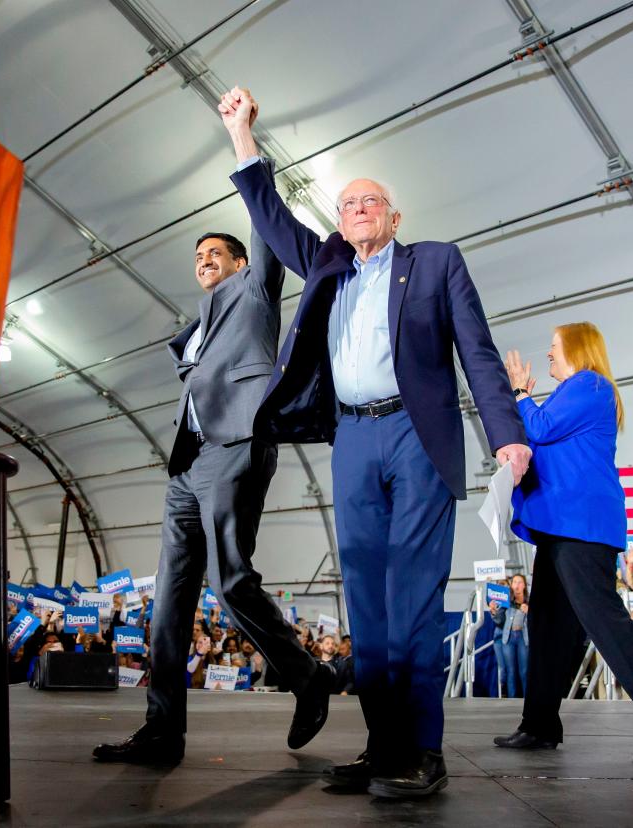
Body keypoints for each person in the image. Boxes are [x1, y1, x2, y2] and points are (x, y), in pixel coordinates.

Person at [219, 86, 530, 799]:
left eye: (370, 203)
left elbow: (478, 354)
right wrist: (241, 134)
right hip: (352, 439)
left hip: (417, 436)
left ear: (395, 217)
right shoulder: (328, 264)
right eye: (346, 205)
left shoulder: (436, 263)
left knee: (414, 597)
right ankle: (382, 743)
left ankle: (422, 748)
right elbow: (268, 215)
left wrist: (505, 434)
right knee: (366, 601)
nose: (356, 211)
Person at [93, 196, 333, 766]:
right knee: (167, 603)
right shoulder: (197, 326)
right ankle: (161, 729)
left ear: (243, 262)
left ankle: (310, 678)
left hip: (235, 450)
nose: (204, 259)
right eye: (198, 255)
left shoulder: (253, 292)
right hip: (187, 465)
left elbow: (264, 224)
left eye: (215, 252)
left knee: (231, 583)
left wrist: (247, 148)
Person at [493, 323, 633, 764]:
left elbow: (542, 427)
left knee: (605, 623)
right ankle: (539, 724)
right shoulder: (572, 391)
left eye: (553, 348)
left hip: (581, 529)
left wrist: (518, 393)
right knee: (547, 627)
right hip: (560, 529)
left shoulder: (590, 384)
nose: (547, 355)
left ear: (576, 348)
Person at [490, 575, 530, 698]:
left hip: (523, 638)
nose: (517, 585)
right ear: (511, 585)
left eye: (520, 582)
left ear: (524, 585)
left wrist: (530, 611)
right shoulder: (507, 602)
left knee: (524, 671)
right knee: (510, 671)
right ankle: (512, 700)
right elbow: (499, 621)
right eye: (515, 582)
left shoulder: (529, 602)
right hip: (509, 638)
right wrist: (493, 611)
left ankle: (528, 700)